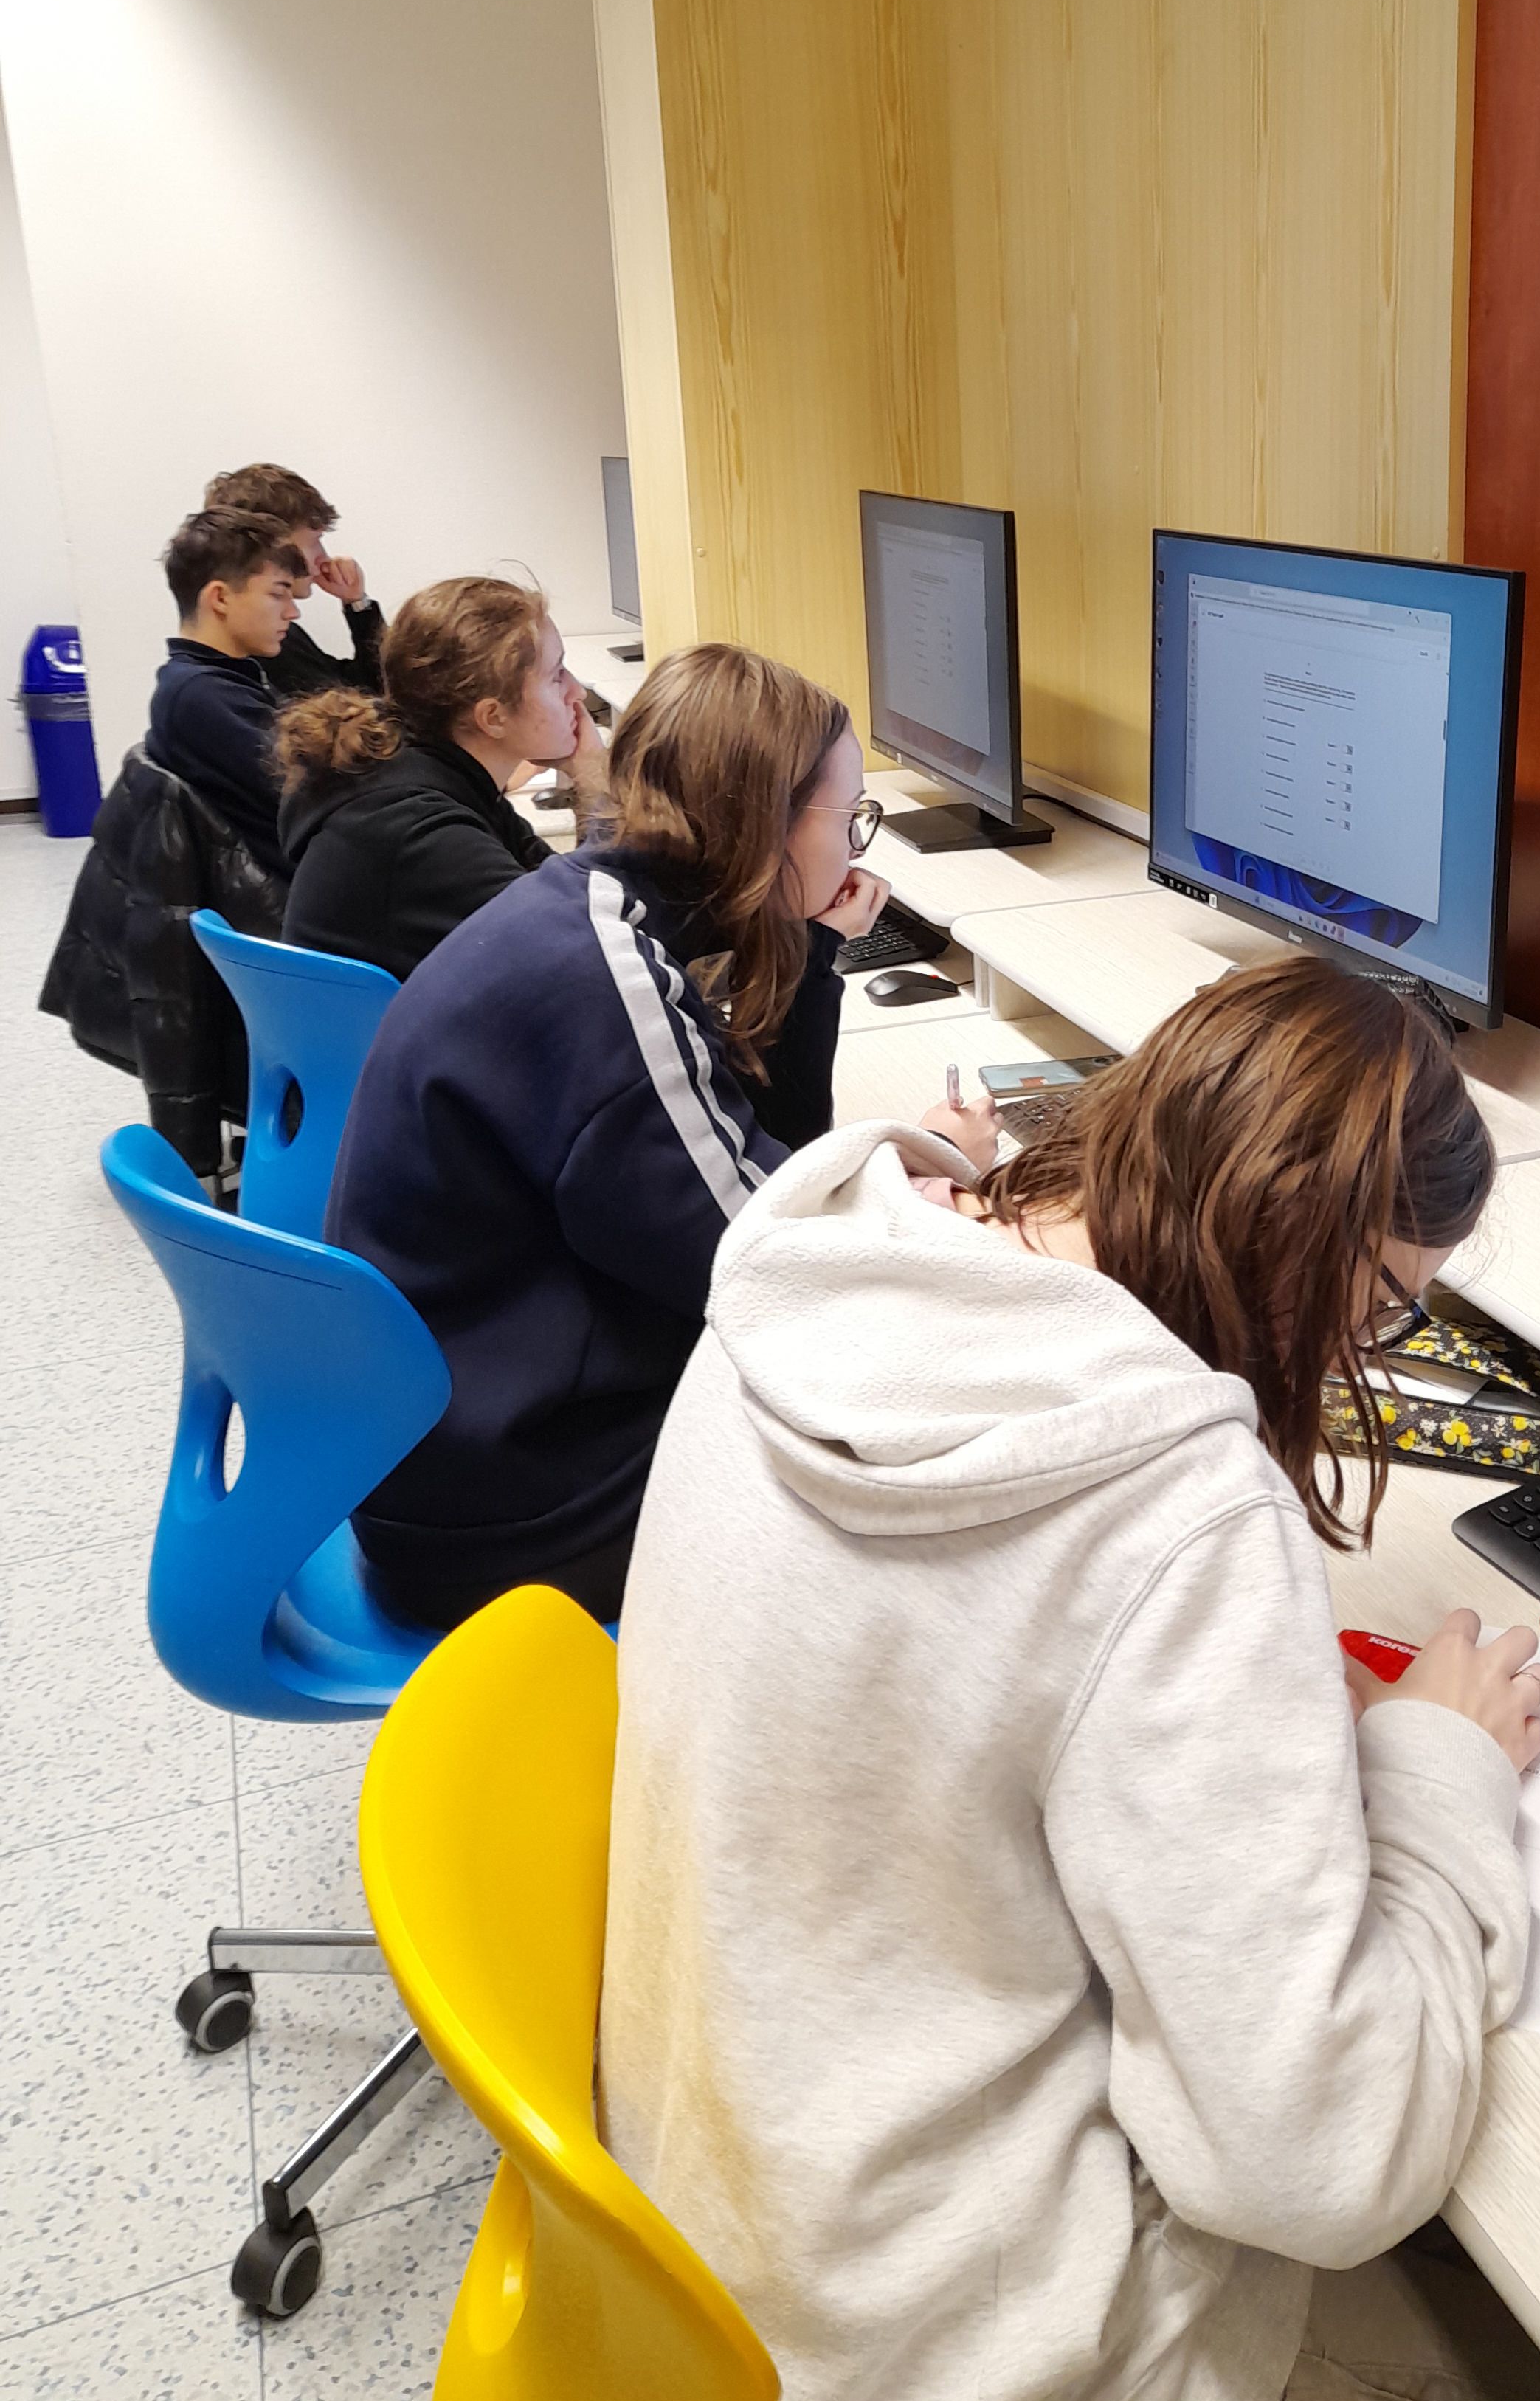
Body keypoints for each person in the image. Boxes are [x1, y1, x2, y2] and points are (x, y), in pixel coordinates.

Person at [601, 954, 1540, 2401]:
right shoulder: (1174, 1511)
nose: (1355, 1361)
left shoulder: (814, 1267)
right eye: (1378, 1318)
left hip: (705, 2225)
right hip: (930, 2342)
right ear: (1311, 1262)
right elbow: (1317, 2165)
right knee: (1493, 2330)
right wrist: (1440, 1775)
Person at [328, 641, 987, 1629]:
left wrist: (810, 948)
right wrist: (945, 1172)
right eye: (848, 818)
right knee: (930, 1436)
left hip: (463, 1433)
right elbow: (775, 1264)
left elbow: (753, 1149)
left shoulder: (590, 909)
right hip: (513, 1514)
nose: (857, 851)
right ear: (764, 825)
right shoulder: (603, 985)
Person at [276, 576, 603, 982]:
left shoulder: (441, 779)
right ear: (493, 717)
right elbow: (594, 943)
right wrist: (593, 779)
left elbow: (565, 893)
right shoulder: (421, 832)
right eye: (557, 675)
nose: (578, 693)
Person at [145, 507, 308, 876]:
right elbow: (316, 793)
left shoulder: (216, 680)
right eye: (278, 594)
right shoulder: (203, 697)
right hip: (292, 889)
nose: (292, 612)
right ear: (219, 598)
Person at [204, 460, 387, 703]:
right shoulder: (258, 641)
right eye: (313, 542)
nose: (323, 557)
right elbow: (360, 705)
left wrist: (357, 603)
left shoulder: (279, 631)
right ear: (274, 548)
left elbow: (364, 689)